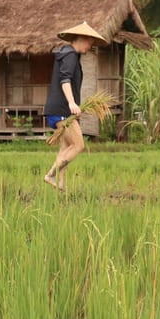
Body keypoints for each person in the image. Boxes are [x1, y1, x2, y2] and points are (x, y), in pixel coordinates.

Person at [42, 21, 108, 192]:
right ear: (83, 39)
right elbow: (65, 80)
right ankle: (51, 175)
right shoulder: (70, 55)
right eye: (90, 43)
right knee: (78, 145)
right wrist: (72, 103)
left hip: (58, 109)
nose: (90, 47)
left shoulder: (67, 54)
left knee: (66, 147)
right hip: (62, 110)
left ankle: (61, 185)